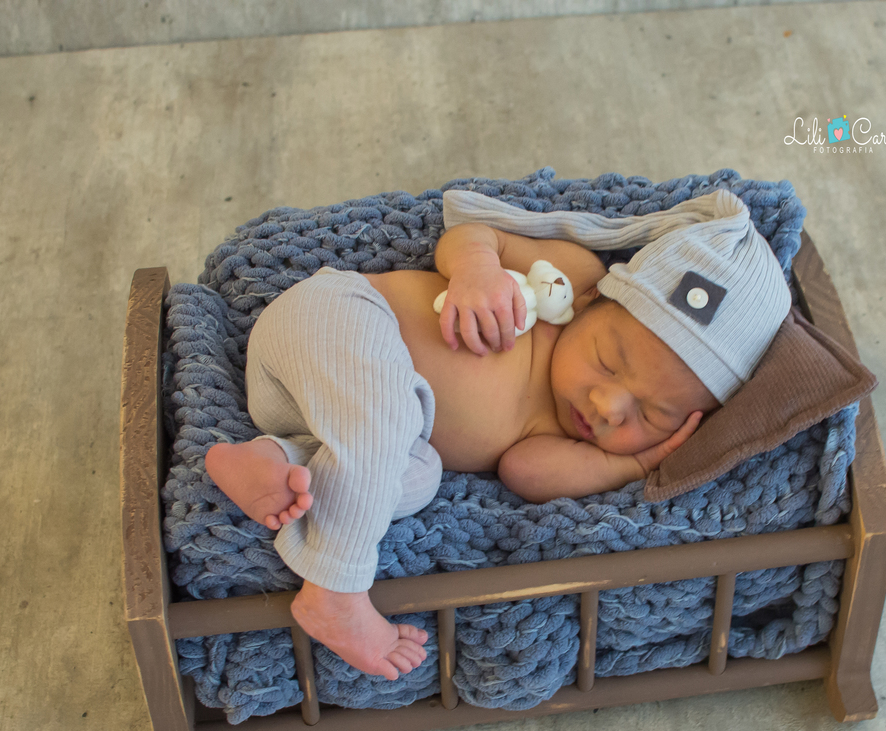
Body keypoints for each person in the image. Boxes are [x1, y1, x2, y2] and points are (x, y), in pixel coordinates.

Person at [205, 188, 790, 683]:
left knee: (414, 478)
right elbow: (475, 234)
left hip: (319, 415)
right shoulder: (575, 274)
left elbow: (525, 473)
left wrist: (634, 467)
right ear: (596, 299)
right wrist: (477, 271)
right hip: (337, 319)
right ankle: (335, 591)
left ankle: (275, 459)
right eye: (609, 361)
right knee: (379, 420)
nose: (609, 406)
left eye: (655, 414)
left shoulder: (564, 439)